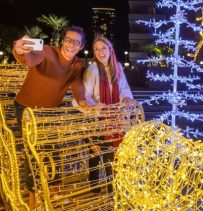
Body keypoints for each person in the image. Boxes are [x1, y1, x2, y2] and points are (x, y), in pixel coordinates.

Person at [12, 25, 91, 208]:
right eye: (68, 40)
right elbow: (30, 59)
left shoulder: (77, 64)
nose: (71, 45)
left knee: (53, 150)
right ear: (62, 41)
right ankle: (34, 195)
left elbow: (77, 84)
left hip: (48, 112)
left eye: (76, 42)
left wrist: (82, 101)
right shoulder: (47, 51)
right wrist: (19, 51)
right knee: (31, 152)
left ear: (81, 46)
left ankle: (54, 191)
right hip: (25, 108)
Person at [75, 35, 135, 193]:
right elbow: (85, 95)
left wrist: (126, 98)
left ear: (110, 49)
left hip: (114, 119)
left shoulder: (118, 67)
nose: (100, 52)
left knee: (111, 157)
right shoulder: (93, 69)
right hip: (97, 119)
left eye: (103, 48)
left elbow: (123, 89)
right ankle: (94, 192)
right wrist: (95, 106)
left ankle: (112, 191)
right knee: (95, 157)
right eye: (96, 49)